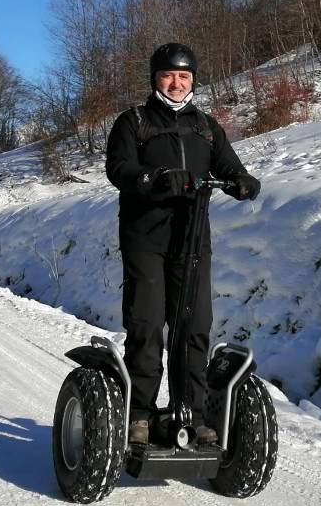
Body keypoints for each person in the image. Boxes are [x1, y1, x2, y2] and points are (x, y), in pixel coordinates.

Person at [105, 43, 260, 449]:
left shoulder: (206, 126)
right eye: (169, 76)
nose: (176, 83)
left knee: (194, 328)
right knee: (147, 324)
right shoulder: (133, 121)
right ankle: (138, 414)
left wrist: (243, 180)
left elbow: (228, 165)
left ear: (193, 80)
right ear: (156, 79)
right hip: (146, 238)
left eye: (184, 76)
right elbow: (118, 168)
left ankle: (190, 412)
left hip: (192, 238)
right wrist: (154, 178)